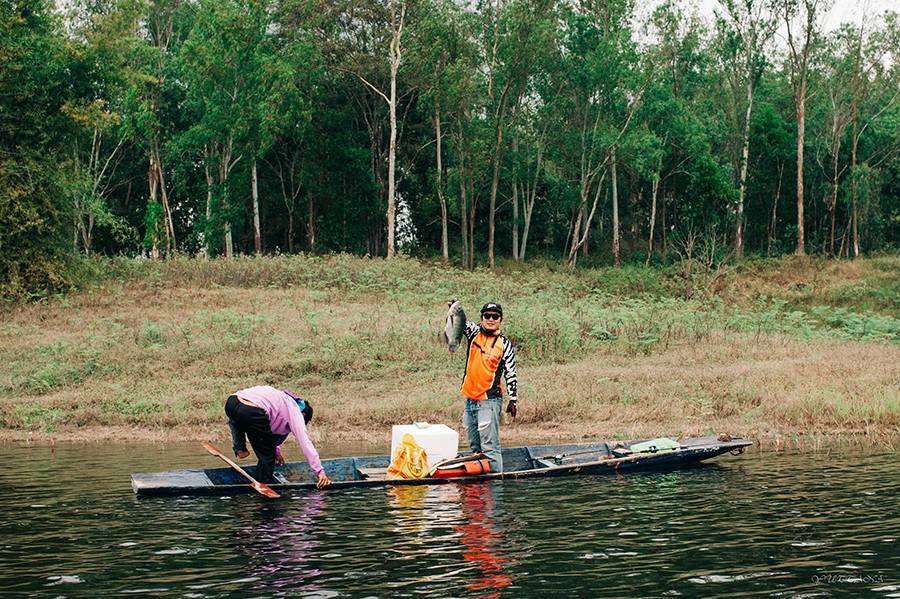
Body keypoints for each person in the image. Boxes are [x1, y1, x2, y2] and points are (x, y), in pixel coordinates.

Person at [225, 385, 332, 489]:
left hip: (231, 403)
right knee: (267, 457)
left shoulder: (282, 401)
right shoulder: (295, 412)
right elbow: (305, 442)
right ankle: (263, 485)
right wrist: (320, 472)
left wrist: (277, 451)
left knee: (240, 419)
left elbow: (267, 433)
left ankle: (240, 448)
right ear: (303, 415)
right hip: (250, 411)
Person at [456, 301, 518, 473]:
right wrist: (454, 310)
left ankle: (496, 485)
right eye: (487, 316)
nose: (490, 319)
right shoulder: (474, 332)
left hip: (489, 401)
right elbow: (460, 323)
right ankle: (480, 489)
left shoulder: (504, 344)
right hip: (470, 400)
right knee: (475, 447)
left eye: (495, 316)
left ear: (500, 319)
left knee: (490, 447)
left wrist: (513, 399)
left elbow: (511, 372)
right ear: (482, 318)